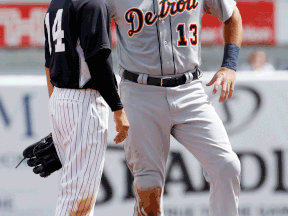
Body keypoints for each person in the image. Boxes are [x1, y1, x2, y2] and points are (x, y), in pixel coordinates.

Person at [105, 0, 242, 215]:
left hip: (190, 91)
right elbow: (88, 31)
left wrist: (230, 65)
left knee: (227, 166)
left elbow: (232, 14)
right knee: (148, 188)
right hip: (140, 93)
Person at [44, 0, 129, 215]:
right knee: (77, 202)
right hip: (84, 103)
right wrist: (118, 108)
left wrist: (58, 116)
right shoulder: (93, 2)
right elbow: (98, 60)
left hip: (60, 98)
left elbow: (48, 64)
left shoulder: (56, 4)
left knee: (78, 199)